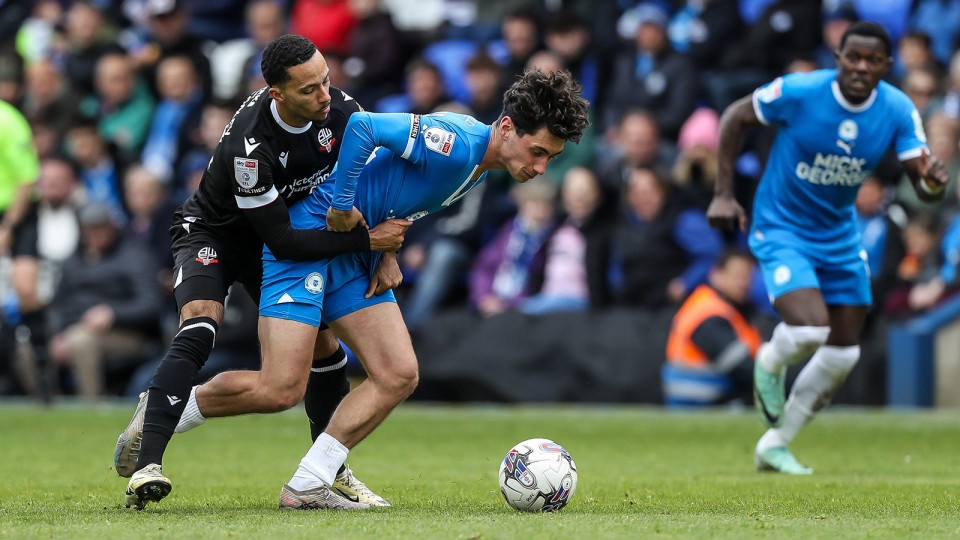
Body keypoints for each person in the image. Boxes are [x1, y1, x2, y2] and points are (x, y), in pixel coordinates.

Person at [159, 68, 589, 510]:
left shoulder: (483, 163)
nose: (540, 167)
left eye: (549, 158)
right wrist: (343, 207)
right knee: (279, 389)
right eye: (537, 151)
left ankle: (309, 483)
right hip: (310, 239)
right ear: (506, 127)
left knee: (398, 373)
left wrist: (387, 252)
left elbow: (393, 189)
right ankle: (163, 412)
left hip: (355, 251)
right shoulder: (454, 142)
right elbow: (364, 128)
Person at [117, 34, 409, 510]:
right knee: (201, 325)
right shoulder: (248, 148)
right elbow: (286, 242)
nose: (325, 95)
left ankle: (328, 473)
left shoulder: (341, 110)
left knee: (323, 348)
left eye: (327, 81)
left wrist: (387, 251)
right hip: (214, 233)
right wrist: (367, 242)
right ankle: (149, 462)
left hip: (269, 244)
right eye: (310, 89)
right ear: (278, 94)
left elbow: (375, 182)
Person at [706, 22, 950, 474]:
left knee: (844, 351)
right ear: (837, 58)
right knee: (808, 331)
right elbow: (734, 116)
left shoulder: (897, 108)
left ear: (886, 65)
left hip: (839, 234)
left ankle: (774, 444)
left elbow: (924, 177)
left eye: (871, 60)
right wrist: (723, 193)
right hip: (782, 226)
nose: (860, 67)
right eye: (852, 57)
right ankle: (770, 357)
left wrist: (934, 183)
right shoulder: (800, 91)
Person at [663, 249, 760, 407]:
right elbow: (740, 366)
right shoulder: (709, 313)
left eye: (747, 277)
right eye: (737, 276)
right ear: (716, 275)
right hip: (700, 400)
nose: (743, 283)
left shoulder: (731, 309)